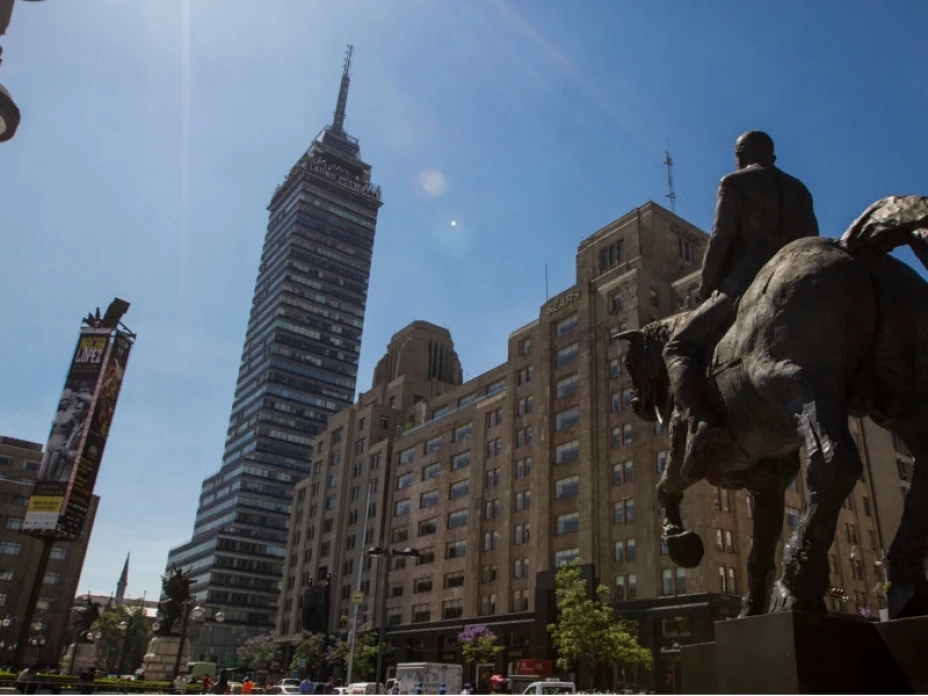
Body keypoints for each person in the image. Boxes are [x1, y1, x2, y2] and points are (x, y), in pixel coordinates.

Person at [662, 130, 818, 480]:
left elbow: (720, 240)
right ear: (773, 157)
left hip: (746, 284)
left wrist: (705, 287)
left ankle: (701, 421)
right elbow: (811, 241)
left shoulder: (734, 183)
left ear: (739, 157)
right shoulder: (799, 190)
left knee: (677, 346)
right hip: (796, 282)